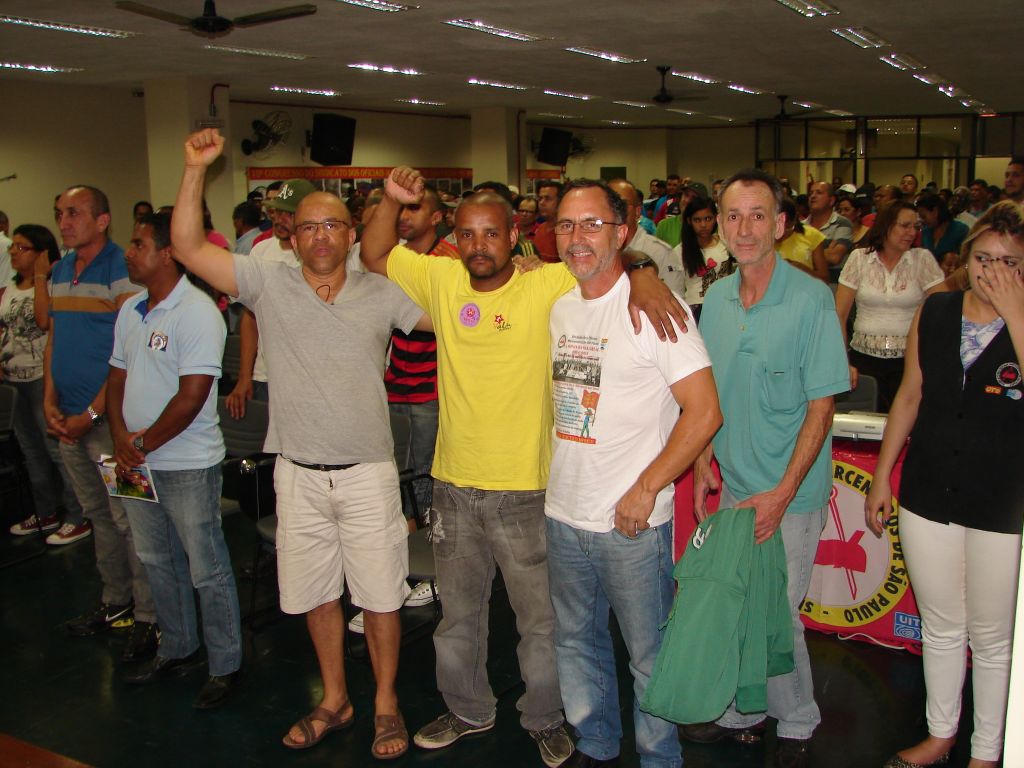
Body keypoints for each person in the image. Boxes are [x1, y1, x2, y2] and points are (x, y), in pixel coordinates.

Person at [359, 165, 687, 768]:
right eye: (467, 234)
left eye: (491, 233)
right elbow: (375, 253)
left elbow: (607, 256)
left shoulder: (549, 284)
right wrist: (389, 198)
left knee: (542, 624)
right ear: (454, 237)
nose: (478, 245)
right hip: (453, 486)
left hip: (528, 492)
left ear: (515, 235)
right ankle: (467, 709)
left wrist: (643, 271)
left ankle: (545, 717)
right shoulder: (441, 278)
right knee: (458, 617)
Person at [172, 129, 427, 758]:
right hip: (298, 473)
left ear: (350, 233)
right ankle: (335, 699)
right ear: (292, 236)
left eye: (332, 225)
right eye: (308, 227)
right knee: (316, 594)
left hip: (367, 472)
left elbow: (460, 316)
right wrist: (194, 169)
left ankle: (386, 703)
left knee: (380, 596)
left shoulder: (383, 291)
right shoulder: (267, 283)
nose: (320, 236)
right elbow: (186, 247)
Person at [545, 179, 721, 768]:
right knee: (576, 642)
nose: (577, 237)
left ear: (621, 232)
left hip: (632, 525)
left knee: (649, 655)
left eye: (592, 224)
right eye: (567, 224)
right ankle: (595, 742)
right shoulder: (561, 307)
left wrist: (647, 487)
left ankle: (658, 756)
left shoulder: (657, 310)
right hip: (564, 512)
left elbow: (705, 412)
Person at [684, 169, 849, 768]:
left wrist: (782, 493)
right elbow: (711, 395)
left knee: (777, 615)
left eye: (758, 215)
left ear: (780, 225)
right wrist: (702, 457)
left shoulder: (811, 301)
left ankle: (798, 720)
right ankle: (744, 713)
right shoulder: (717, 301)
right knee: (738, 605)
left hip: (791, 495)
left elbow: (822, 408)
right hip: (736, 487)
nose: (744, 228)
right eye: (733, 216)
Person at [865, 202, 1024, 768]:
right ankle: (940, 733)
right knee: (941, 624)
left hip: (1004, 500)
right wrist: (882, 476)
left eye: (1010, 262)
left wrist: (1016, 313)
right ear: (965, 258)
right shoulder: (935, 310)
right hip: (930, 487)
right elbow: (910, 394)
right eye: (983, 258)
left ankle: (987, 750)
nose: (993, 272)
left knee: (993, 635)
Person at [107, 212, 242, 709]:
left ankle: (225, 663)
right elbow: (116, 378)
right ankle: (178, 646)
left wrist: (139, 444)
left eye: (138, 243)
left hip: (186, 464)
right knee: (155, 560)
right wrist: (120, 438)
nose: (128, 252)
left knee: (206, 567)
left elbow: (191, 397)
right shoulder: (130, 309)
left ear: (167, 253)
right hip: (134, 463)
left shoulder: (197, 312)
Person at [48, 185, 159, 662]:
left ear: (101, 221)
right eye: (60, 213)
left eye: (74, 213)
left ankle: (150, 616)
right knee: (97, 515)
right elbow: (55, 338)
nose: (64, 222)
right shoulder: (59, 270)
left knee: (133, 519)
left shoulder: (122, 271)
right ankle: (117, 602)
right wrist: (50, 400)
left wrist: (92, 414)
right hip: (68, 422)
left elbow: (129, 356)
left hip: (114, 427)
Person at [4, 225, 84, 536]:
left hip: (43, 379)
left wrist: (40, 276)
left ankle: (77, 515)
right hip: (14, 381)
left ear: (41, 254)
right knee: (31, 452)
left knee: (56, 451)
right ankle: (45, 512)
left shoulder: (53, 284)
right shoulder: (9, 288)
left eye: (21, 247)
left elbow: (42, 321)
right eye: (13, 246)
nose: (13, 252)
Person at [835, 201, 946, 411]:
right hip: (863, 360)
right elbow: (839, 314)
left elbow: (944, 310)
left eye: (916, 227)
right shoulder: (859, 259)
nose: (912, 232)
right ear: (886, 225)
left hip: (909, 362)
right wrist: (843, 362)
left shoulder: (922, 259)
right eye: (905, 225)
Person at [676, 195, 733, 321]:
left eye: (708, 219)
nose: (703, 225)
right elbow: (676, 288)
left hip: (727, 304)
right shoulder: (680, 251)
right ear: (689, 221)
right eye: (697, 220)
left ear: (716, 218)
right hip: (697, 309)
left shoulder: (726, 243)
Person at [776, 199, 828, 281]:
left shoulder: (811, 235)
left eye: (786, 228)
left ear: (794, 221)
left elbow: (824, 278)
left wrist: (802, 269)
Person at [917, 194, 969, 270]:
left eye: (924, 217)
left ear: (935, 212)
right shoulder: (925, 232)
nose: (922, 220)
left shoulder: (961, 230)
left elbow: (967, 262)